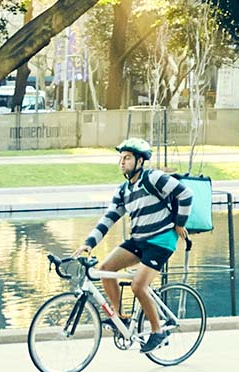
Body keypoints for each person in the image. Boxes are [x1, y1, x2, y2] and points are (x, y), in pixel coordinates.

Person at [74, 138, 193, 353]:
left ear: (139, 161)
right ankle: (120, 318)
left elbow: (185, 194)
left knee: (138, 285)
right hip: (138, 240)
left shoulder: (153, 178)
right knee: (104, 269)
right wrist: (88, 243)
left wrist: (179, 224)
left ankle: (158, 331)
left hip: (161, 241)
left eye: (127, 158)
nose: (122, 162)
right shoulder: (123, 191)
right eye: (120, 158)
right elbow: (108, 219)